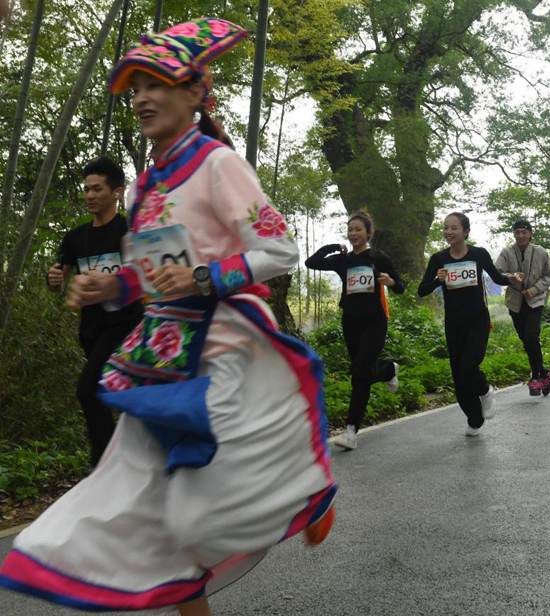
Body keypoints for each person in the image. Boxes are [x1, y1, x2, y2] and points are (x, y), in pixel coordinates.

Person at [0, 19, 336, 616]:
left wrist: (207, 276)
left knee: (195, 514)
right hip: (156, 353)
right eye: (135, 89)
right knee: (144, 505)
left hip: (226, 346)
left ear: (195, 95)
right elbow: (150, 273)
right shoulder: (140, 190)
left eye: (156, 84)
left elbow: (279, 250)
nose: (142, 99)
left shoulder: (218, 165)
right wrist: (111, 283)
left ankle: (303, 492)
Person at [47, 157, 143, 471]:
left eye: (97, 188)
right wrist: (54, 279)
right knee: (107, 394)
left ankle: (105, 465)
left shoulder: (130, 230)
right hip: (91, 330)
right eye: (86, 189)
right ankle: (126, 458)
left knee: (87, 389)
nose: (89, 195)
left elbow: (145, 275)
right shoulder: (75, 238)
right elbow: (57, 278)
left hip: (127, 326)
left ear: (116, 192)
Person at [306, 211, 405, 450]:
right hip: (351, 321)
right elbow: (312, 263)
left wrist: (391, 283)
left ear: (368, 233)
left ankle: (351, 430)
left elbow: (401, 286)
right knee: (362, 372)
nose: (353, 234)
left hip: (374, 321)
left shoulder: (379, 258)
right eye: (350, 230)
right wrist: (332, 246)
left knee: (360, 371)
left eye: (358, 229)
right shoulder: (344, 260)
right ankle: (388, 369)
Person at [418, 212, 522, 436]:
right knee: (459, 376)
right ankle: (474, 419)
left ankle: (485, 391)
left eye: (454, 228)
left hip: (477, 320)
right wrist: (438, 280)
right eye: (446, 228)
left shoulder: (478, 254)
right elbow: (422, 289)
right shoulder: (438, 259)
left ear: (465, 231)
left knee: (468, 366)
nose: (448, 232)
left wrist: (511, 278)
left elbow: (496, 277)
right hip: (454, 323)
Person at [495, 219, 550, 394]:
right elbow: (497, 273)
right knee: (526, 340)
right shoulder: (506, 252)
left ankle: (536, 376)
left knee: (531, 336)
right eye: (517, 232)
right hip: (515, 302)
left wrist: (535, 289)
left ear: (530, 233)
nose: (521, 235)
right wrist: (510, 277)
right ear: (514, 234)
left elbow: (548, 276)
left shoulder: (540, 252)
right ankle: (544, 373)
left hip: (535, 301)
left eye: (524, 232)